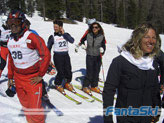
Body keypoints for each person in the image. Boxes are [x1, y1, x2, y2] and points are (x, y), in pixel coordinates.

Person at [103, 23, 161, 123]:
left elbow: (155, 90)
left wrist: (157, 111)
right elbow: (108, 91)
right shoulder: (120, 62)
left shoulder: (153, 63)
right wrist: (108, 119)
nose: (151, 41)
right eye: (146, 37)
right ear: (138, 39)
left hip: (146, 116)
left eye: (154, 37)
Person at [7, 10, 50, 123]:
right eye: (10, 22)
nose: (12, 26)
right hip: (18, 77)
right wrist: (10, 77)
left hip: (32, 78)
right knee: (25, 105)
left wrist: (41, 74)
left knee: (35, 108)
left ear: (22, 23)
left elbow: (45, 54)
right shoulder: (10, 40)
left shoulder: (31, 37)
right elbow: (11, 59)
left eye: (15, 22)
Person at [77, 22, 106, 94]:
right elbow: (82, 40)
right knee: (89, 72)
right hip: (89, 55)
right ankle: (85, 86)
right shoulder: (88, 34)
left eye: (96, 27)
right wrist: (83, 45)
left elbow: (103, 45)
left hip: (98, 56)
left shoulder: (101, 36)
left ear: (99, 28)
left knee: (96, 72)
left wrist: (102, 50)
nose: (94, 29)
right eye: (93, 27)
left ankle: (94, 86)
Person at [47, 20, 75, 93]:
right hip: (57, 56)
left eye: (56, 27)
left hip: (66, 55)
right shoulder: (52, 37)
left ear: (61, 27)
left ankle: (67, 83)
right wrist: (48, 59)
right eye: (54, 27)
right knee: (61, 71)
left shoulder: (66, 35)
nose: (55, 28)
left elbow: (72, 41)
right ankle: (58, 84)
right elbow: (48, 48)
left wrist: (64, 34)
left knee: (68, 70)